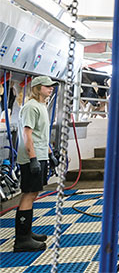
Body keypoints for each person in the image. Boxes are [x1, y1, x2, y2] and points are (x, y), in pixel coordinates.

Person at [13, 75, 59, 252]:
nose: (51, 88)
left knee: (33, 194)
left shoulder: (42, 106)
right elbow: (27, 135)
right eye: (47, 86)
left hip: (40, 156)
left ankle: (27, 232)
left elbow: (41, 135)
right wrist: (32, 159)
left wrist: (49, 154)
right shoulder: (31, 107)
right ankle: (22, 239)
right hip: (31, 157)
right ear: (38, 88)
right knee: (28, 194)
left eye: (51, 86)